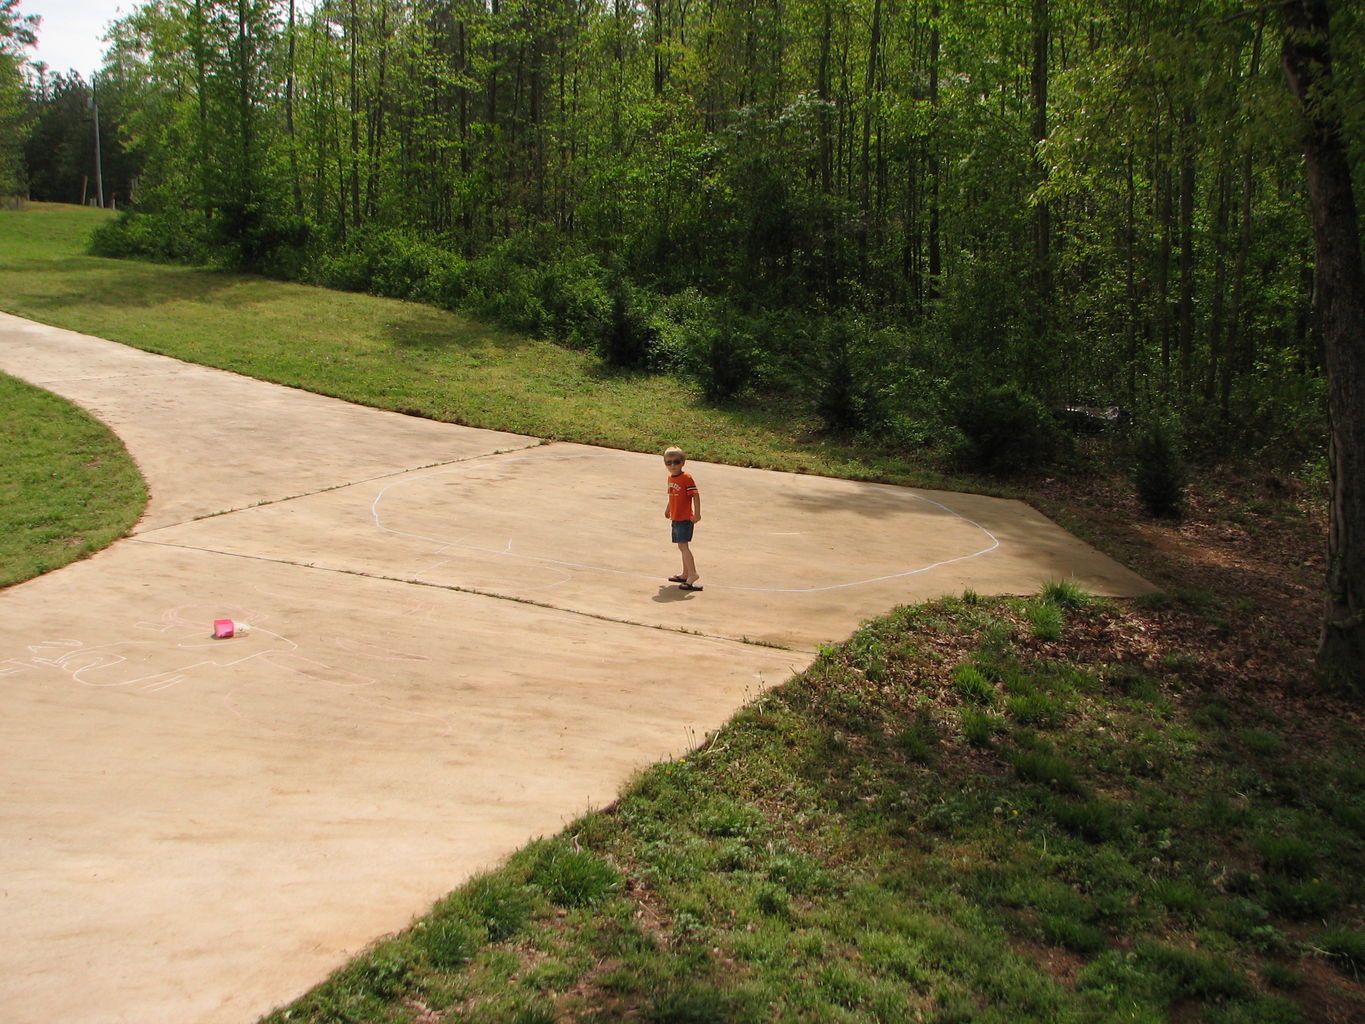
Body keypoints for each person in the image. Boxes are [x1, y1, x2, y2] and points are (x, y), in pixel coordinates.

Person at [663, 446, 702, 591]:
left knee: (683, 546)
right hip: (676, 517)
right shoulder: (670, 478)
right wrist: (668, 509)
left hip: (685, 517)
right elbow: (671, 495)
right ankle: (685, 573)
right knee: (681, 546)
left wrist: (697, 513)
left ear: (683, 462)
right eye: (669, 463)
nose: (672, 465)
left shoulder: (686, 478)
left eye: (676, 462)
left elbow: (695, 495)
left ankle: (693, 574)